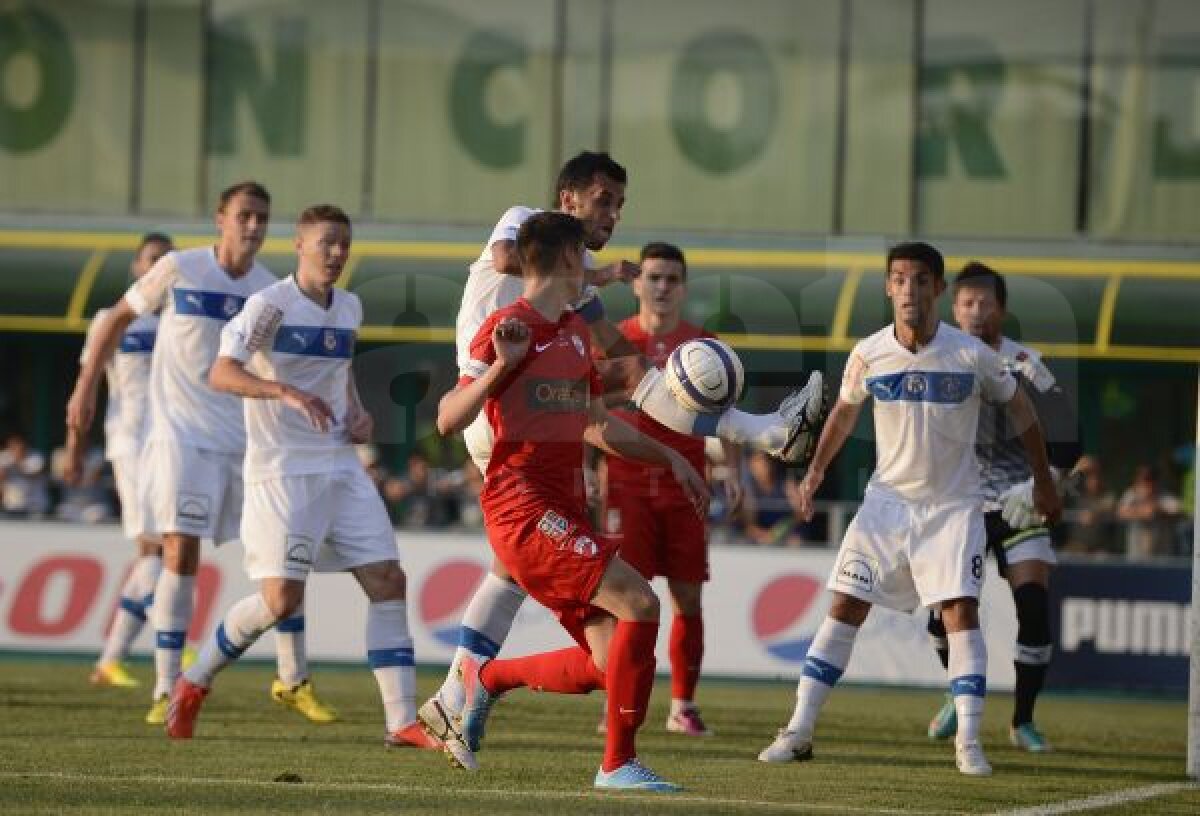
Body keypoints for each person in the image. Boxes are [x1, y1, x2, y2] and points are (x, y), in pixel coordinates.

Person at [422, 151, 827, 736]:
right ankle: (770, 432)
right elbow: (514, 259)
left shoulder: (573, 267)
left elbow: (612, 346)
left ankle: (451, 700)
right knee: (566, 576)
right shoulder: (532, 230)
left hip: (526, 400)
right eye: (603, 200)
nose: (612, 215)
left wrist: (672, 396)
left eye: (619, 205)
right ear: (567, 200)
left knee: (509, 569)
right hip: (493, 394)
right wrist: (600, 277)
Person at [756, 242, 1061, 777]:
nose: (909, 291)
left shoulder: (971, 355)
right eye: (899, 279)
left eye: (921, 280)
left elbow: (1023, 411)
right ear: (887, 288)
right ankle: (799, 729)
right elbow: (844, 417)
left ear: (937, 289)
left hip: (953, 507)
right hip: (886, 505)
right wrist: (815, 471)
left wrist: (1043, 481)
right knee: (845, 604)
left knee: (960, 613)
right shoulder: (869, 352)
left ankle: (969, 740)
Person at [434, 212, 710, 790]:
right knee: (640, 601)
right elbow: (445, 418)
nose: (592, 266)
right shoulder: (508, 326)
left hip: (563, 510)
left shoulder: (572, 335)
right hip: (523, 508)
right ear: (566, 261)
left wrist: (674, 458)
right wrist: (500, 370)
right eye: (584, 256)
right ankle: (616, 766)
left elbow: (598, 427)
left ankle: (490, 680)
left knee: (613, 666)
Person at [165, 205, 451, 757]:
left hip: (339, 464)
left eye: (344, 243)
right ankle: (194, 679)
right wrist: (283, 392)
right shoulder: (271, 306)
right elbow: (221, 371)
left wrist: (359, 414)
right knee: (279, 601)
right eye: (327, 243)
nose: (337, 253)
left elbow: (339, 377)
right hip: (281, 470)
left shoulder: (349, 306)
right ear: (299, 245)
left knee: (389, 580)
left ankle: (400, 724)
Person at [65, 182, 334, 726]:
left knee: (283, 563)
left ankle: (293, 678)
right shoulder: (179, 268)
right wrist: (86, 385)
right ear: (220, 219)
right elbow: (115, 318)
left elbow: (277, 368)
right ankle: (166, 688)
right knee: (177, 554)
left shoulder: (271, 290)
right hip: (180, 439)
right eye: (244, 215)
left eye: (262, 216)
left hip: (248, 444)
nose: (253, 226)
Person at [924, 262, 1081, 754]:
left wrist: (1047, 481)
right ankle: (959, 693)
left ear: (1001, 309)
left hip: (1017, 503)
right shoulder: (937, 357)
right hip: (958, 503)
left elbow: (1069, 435)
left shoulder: (1025, 363)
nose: (975, 311)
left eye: (984, 303)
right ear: (954, 308)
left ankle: (1023, 721)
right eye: (966, 303)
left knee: (1034, 608)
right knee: (939, 617)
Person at [599, 241, 742, 736]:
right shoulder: (614, 338)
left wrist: (736, 472)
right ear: (636, 284)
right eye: (653, 277)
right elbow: (581, 404)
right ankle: (617, 700)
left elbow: (725, 416)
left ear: (683, 287)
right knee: (623, 598)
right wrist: (581, 470)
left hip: (687, 485)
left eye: (671, 279)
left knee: (687, 598)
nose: (661, 287)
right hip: (625, 482)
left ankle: (682, 705)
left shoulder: (703, 345)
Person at [64, 232, 173, 688]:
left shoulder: (177, 320)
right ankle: (131, 650)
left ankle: (137, 647)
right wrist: (74, 449)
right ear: (135, 267)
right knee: (159, 549)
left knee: (165, 550)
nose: (157, 268)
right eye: (152, 260)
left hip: (170, 447)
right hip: (131, 444)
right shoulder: (112, 319)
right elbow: (85, 392)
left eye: (166, 262)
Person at [1117, 465, 1183, 558]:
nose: (1147, 484)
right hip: (1136, 555)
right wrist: (1140, 512)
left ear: (1156, 481)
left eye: (1150, 480)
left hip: (1161, 555)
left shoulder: (1164, 496)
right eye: (1143, 480)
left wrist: (1157, 510)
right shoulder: (1131, 494)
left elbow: (1178, 512)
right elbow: (1120, 513)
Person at [0, 432, 50, 518]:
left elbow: (34, 474)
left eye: (19, 445)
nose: (17, 448)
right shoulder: (4, 456)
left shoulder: (36, 456)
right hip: (13, 505)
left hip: (36, 506)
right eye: (13, 446)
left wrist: (16, 463)